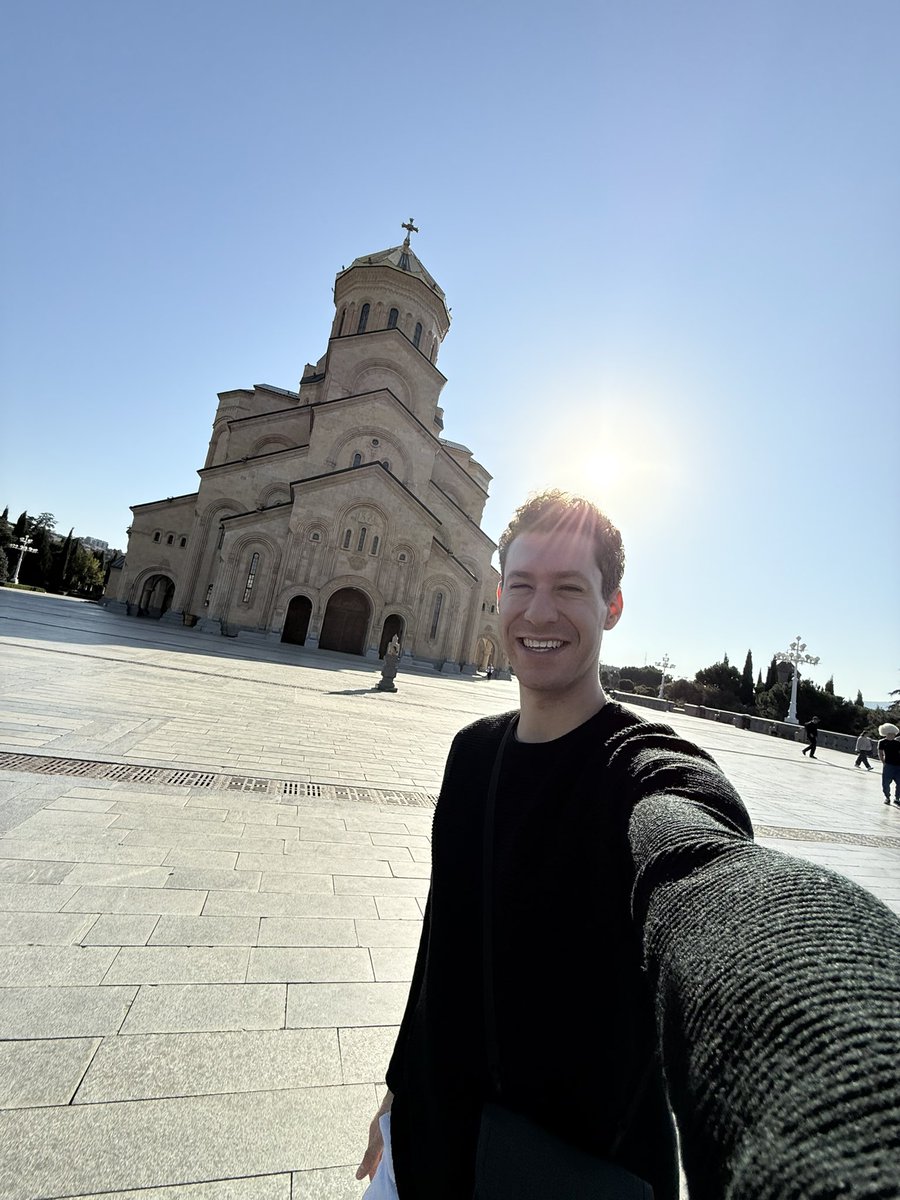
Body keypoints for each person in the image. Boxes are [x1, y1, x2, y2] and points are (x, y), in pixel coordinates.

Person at [357, 490, 900, 1199]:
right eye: (522, 585)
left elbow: (705, 871)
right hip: (423, 1153)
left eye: (569, 588)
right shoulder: (472, 753)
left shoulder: (646, 769)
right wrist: (397, 1087)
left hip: (579, 1172)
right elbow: (440, 943)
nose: (540, 611)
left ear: (612, 607)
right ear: (497, 595)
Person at [878, 722, 900, 806]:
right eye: (891, 734)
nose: (893, 735)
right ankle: (887, 797)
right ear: (887, 733)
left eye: (894, 734)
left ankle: (897, 798)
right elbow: (880, 753)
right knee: (886, 783)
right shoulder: (882, 742)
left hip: (898, 766)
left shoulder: (898, 743)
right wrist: (883, 762)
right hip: (888, 765)